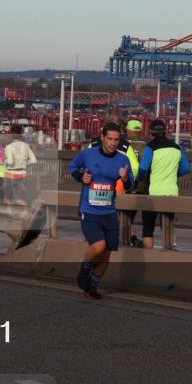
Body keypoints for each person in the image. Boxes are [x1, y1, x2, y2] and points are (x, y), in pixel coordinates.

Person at [68, 122, 132, 300]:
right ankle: (84, 269)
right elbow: (72, 167)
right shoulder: (88, 154)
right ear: (102, 137)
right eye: (109, 139)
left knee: (106, 253)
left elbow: (130, 185)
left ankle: (92, 286)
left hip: (109, 212)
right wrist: (81, 176)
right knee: (99, 246)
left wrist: (125, 179)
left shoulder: (123, 159)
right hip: (89, 210)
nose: (113, 143)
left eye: (116, 140)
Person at [136, 119, 190, 249]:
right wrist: (173, 174)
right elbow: (186, 168)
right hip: (171, 191)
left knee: (148, 228)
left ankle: (149, 255)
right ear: (165, 132)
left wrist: (139, 179)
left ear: (151, 133)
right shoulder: (177, 148)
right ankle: (170, 251)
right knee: (168, 225)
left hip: (152, 192)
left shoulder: (150, 148)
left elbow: (142, 169)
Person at [3, 125, 38, 204]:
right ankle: (25, 211)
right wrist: (23, 163)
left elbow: (10, 162)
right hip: (22, 174)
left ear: (12, 134)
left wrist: (3, 160)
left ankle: (9, 209)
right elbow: (33, 160)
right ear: (21, 134)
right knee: (20, 200)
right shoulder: (26, 146)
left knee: (7, 199)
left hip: (10, 174)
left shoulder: (9, 147)